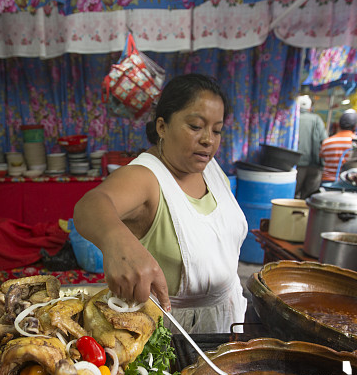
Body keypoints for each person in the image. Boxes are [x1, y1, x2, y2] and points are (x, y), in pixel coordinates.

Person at [73, 73, 247, 334]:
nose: (208, 139)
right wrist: (116, 240)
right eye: (196, 126)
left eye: (217, 130)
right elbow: (90, 205)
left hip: (228, 320)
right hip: (175, 334)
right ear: (162, 127)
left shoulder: (211, 170)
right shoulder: (147, 177)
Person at [295, 95, 327, 199]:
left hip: (296, 164)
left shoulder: (293, 119)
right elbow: (324, 140)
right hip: (314, 165)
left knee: (291, 197)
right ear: (309, 108)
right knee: (309, 198)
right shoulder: (316, 119)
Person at [319, 109, 357, 183]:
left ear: (338, 125)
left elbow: (322, 157)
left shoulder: (327, 141)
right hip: (347, 183)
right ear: (355, 126)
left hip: (326, 182)